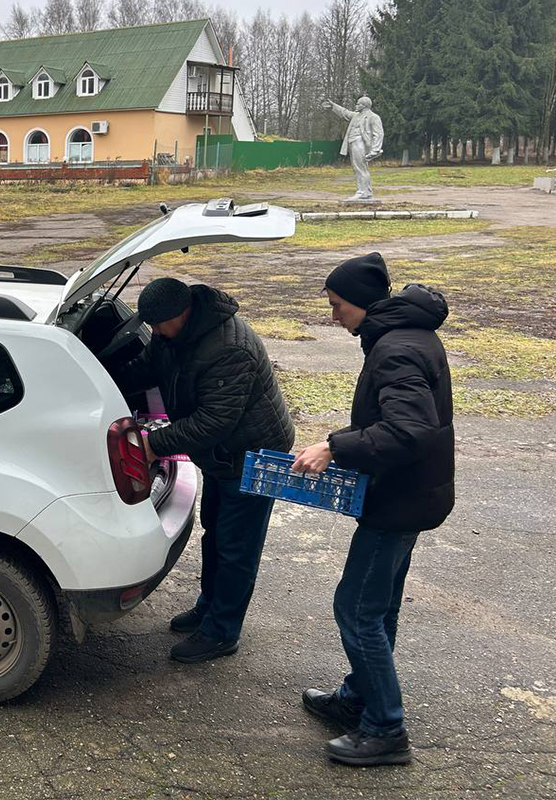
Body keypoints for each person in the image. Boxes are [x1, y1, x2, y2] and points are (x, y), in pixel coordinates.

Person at [292, 253, 454, 767]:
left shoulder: (396, 349)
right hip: (408, 493)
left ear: (361, 303)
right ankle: (359, 699)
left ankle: (386, 728)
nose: (333, 315)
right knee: (378, 607)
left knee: (357, 609)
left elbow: (408, 429)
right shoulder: (401, 335)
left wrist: (334, 447)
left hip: (397, 502)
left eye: (337, 305)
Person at [111, 278, 294, 663]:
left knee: (236, 547)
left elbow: (215, 421)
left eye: (160, 326)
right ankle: (208, 606)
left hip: (252, 456)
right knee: (215, 532)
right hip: (222, 457)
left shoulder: (229, 348)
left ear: (182, 314)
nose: (156, 334)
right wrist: (103, 383)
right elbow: (146, 367)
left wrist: (152, 445)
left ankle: (222, 632)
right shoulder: (173, 334)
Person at [322, 96, 384, 201]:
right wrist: (333, 106)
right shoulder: (356, 115)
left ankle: (362, 192)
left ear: (365, 106)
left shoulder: (373, 117)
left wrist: (375, 149)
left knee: (361, 168)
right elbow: (344, 112)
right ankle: (366, 191)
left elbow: (378, 134)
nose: (356, 105)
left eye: (358, 104)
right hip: (352, 143)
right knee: (357, 168)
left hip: (361, 143)